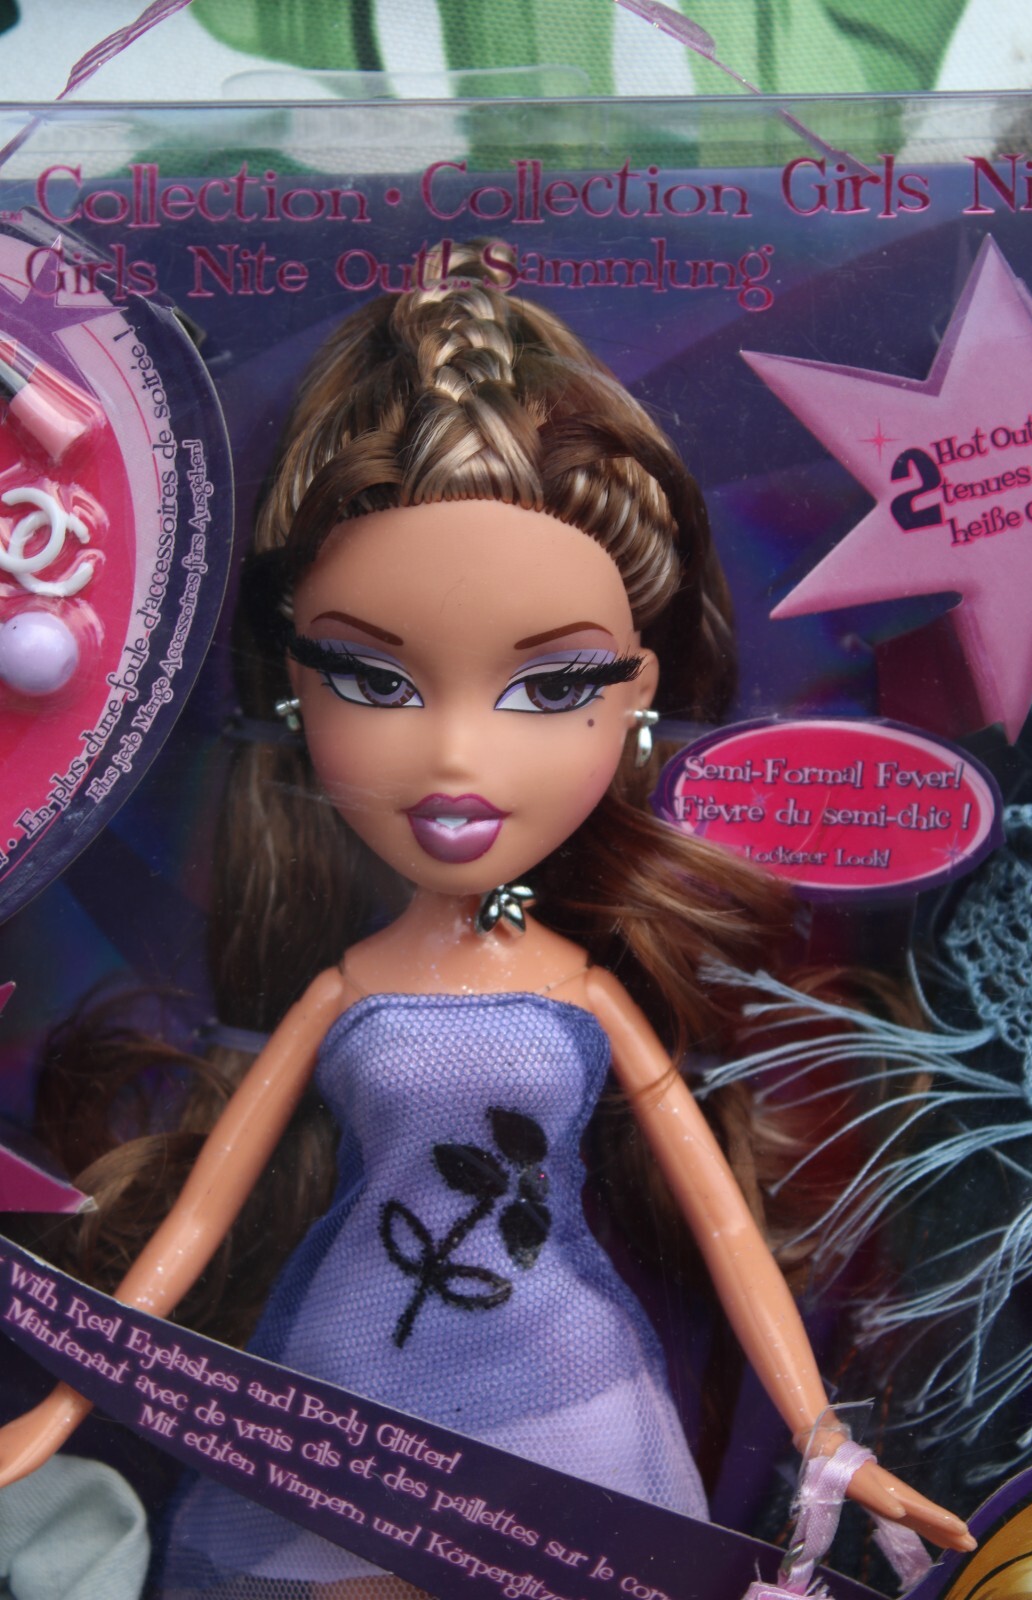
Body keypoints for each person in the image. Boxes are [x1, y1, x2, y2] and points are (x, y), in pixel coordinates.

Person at [0, 243, 973, 1593]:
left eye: (551, 687)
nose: (457, 759)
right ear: (293, 687)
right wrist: (69, 1398)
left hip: (565, 1411)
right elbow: (200, 1223)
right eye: (372, 679)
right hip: (348, 1405)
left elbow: (727, 1233)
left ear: (639, 692)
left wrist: (824, 1441)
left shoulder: (585, 992)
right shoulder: (342, 988)